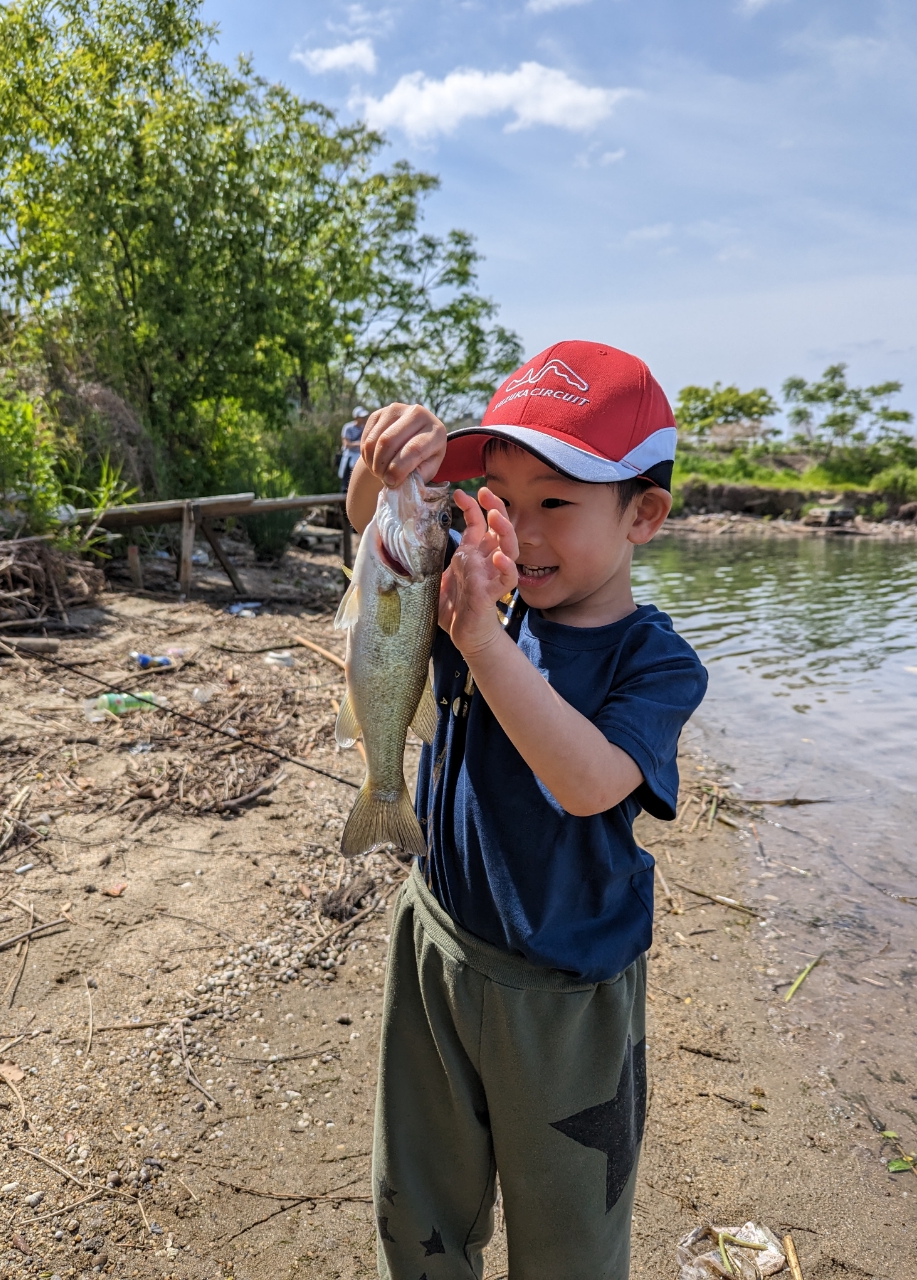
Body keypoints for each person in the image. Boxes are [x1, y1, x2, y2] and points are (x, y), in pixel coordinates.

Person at [345, 340, 708, 1280]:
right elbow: (377, 548)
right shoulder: (474, 594)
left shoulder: (654, 663)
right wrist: (386, 470)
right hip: (434, 942)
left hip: (563, 996)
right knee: (417, 1203)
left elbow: (586, 782)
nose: (524, 530)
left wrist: (482, 637)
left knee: (568, 1238)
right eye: (502, 500)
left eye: (556, 502)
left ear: (645, 514)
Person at [339, 405, 370, 493]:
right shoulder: (348, 427)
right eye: (361, 417)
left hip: (360, 456)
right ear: (356, 417)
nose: (364, 419)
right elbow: (346, 444)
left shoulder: (365, 428)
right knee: (346, 482)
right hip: (350, 456)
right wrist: (358, 444)